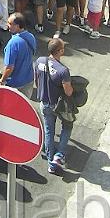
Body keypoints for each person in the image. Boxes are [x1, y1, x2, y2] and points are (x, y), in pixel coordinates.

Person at [34, 38, 73, 174]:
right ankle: (59, 154)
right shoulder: (63, 70)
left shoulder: (39, 61)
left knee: (49, 131)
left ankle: (51, 163)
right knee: (67, 126)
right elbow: (68, 91)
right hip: (58, 105)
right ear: (60, 51)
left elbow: (36, 81)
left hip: (44, 103)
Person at [0, 13, 36, 97]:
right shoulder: (31, 37)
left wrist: (2, 80)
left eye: (10, 23)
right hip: (29, 79)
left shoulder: (13, 43)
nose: (7, 25)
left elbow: (9, 67)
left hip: (15, 84)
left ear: (17, 26)